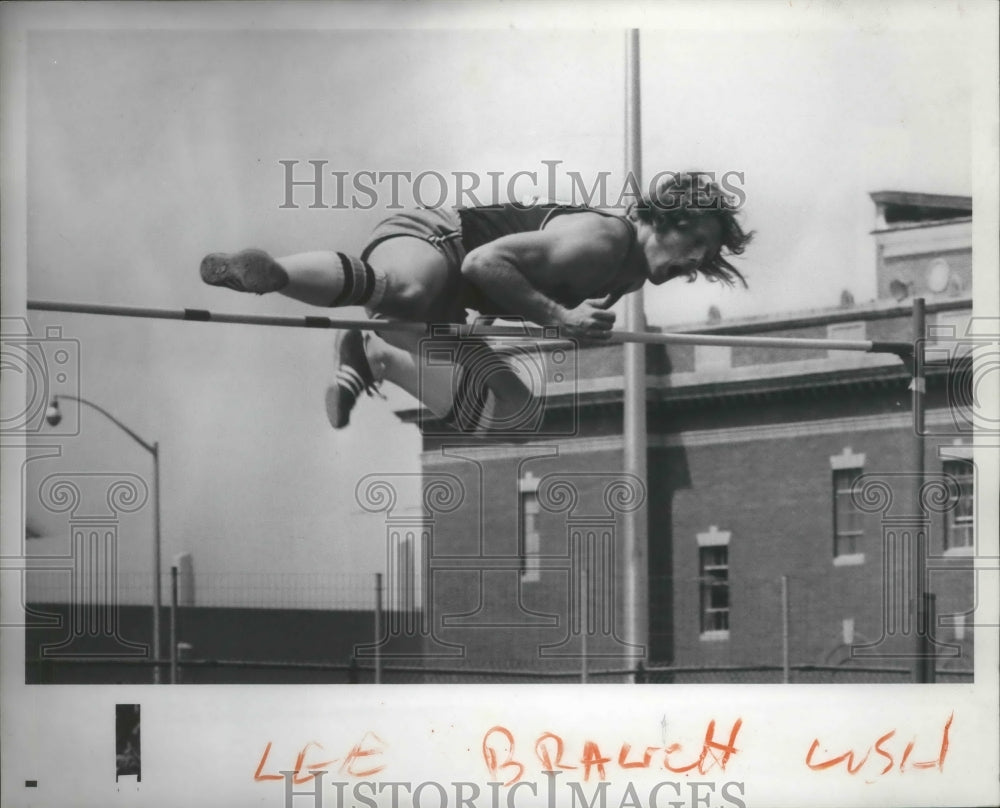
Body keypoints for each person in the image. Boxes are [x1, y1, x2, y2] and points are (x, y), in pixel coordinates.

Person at [200, 171, 752, 431]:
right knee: (406, 289)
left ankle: (369, 358)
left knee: (514, 409)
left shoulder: (628, 277)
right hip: (438, 240)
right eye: (696, 244)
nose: (696, 263)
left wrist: (479, 337)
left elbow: (498, 293)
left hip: (457, 301)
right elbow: (482, 263)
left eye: (707, 258)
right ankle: (270, 274)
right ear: (664, 220)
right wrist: (561, 318)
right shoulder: (604, 241)